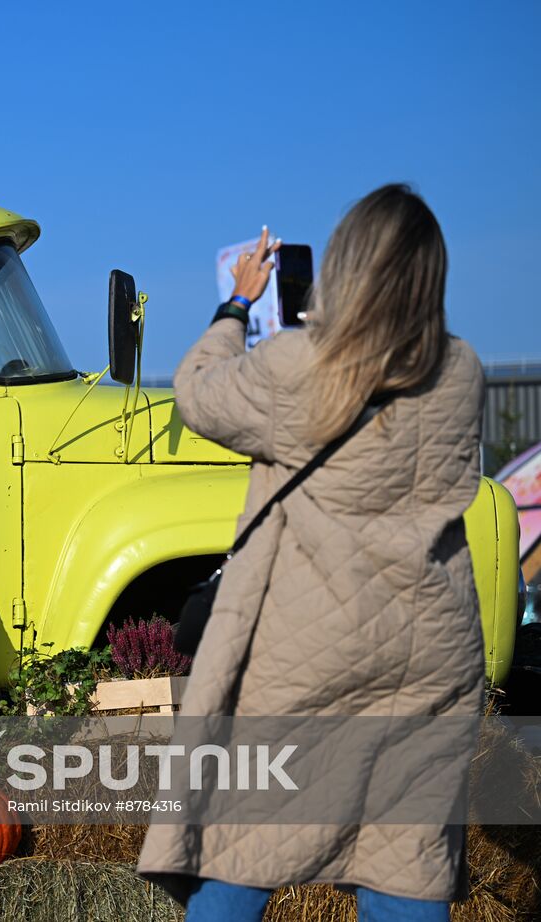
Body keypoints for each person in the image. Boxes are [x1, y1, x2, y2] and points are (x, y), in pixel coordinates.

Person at [138, 186, 485, 922]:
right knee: (405, 862)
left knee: (242, 848)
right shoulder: (461, 373)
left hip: (308, 655)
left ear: (346, 265)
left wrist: (238, 307)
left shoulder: (297, 366)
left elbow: (196, 398)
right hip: (428, 658)